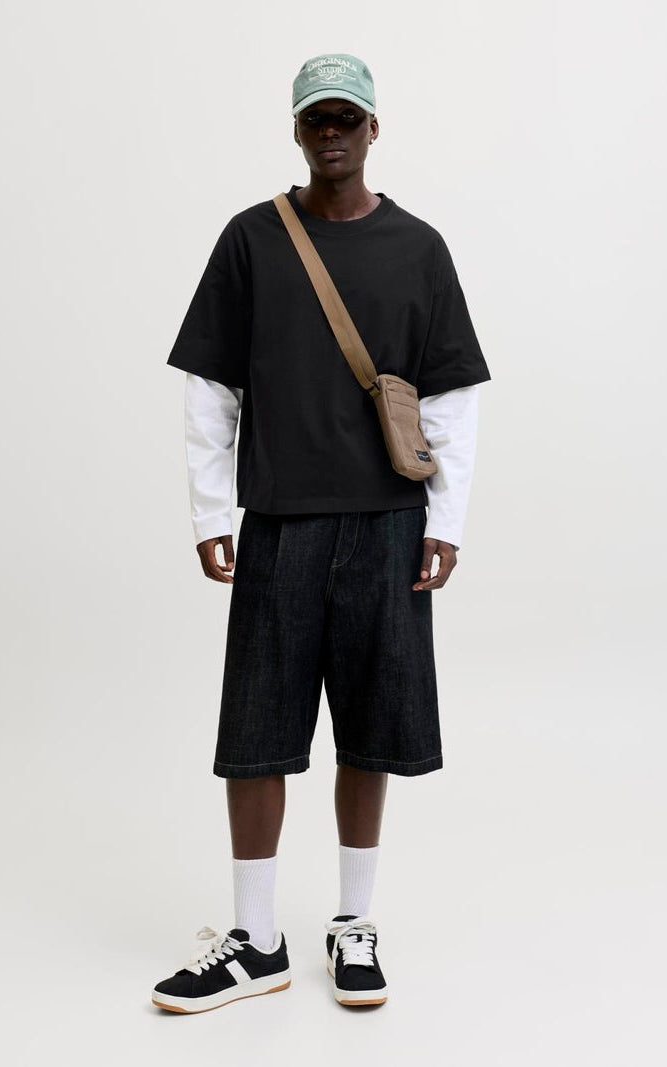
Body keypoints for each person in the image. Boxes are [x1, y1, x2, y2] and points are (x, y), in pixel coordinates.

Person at [151, 52, 491, 1015]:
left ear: (374, 127)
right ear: (296, 130)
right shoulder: (252, 238)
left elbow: (452, 395)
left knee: (370, 732)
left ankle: (352, 922)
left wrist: (447, 521)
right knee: (255, 735)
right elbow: (210, 386)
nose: (331, 132)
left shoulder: (420, 248)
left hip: (390, 523)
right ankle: (256, 940)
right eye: (316, 119)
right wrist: (211, 511)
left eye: (347, 117)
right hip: (279, 523)